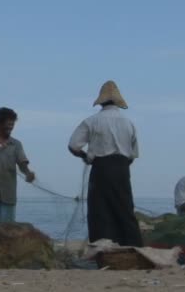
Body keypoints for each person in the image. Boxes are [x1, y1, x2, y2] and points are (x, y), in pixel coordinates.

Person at [68, 80, 142, 246]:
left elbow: (73, 145)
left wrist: (84, 156)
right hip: (122, 169)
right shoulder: (129, 123)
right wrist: (120, 167)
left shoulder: (92, 121)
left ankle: (102, 251)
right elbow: (132, 155)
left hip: (100, 168)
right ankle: (133, 248)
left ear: (101, 101)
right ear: (117, 101)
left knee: (99, 211)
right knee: (125, 209)